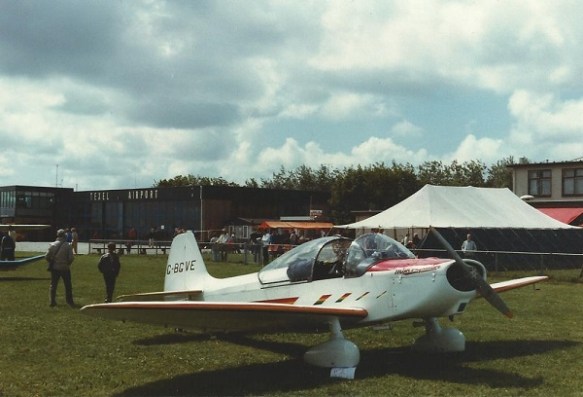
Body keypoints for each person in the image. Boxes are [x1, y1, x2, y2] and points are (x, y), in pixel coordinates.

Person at [46, 229, 75, 307]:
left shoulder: (52, 245)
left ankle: (52, 301)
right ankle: (69, 301)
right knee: (68, 285)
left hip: (55, 268)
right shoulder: (68, 245)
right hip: (65, 267)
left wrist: (51, 262)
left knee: (53, 285)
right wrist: (67, 264)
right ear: (64, 236)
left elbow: (47, 256)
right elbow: (71, 258)